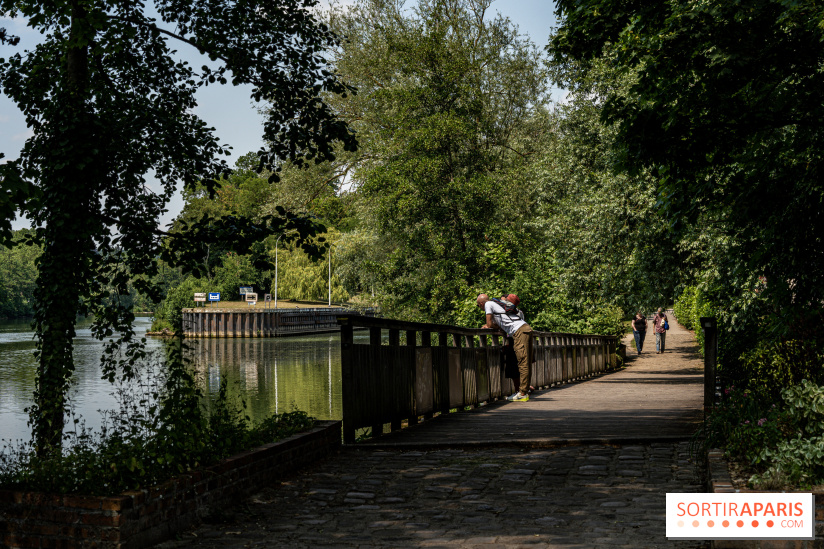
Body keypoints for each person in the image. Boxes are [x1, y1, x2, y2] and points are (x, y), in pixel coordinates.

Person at [477, 293, 533, 402]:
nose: (480, 308)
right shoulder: (496, 306)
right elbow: (498, 325)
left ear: (481, 303)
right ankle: (523, 391)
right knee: (525, 361)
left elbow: (488, 324)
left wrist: (489, 325)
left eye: (478, 306)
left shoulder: (488, 304)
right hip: (524, 329)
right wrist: (494, 325)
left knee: (522, 362)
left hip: (519, 331)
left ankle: (522, 393)